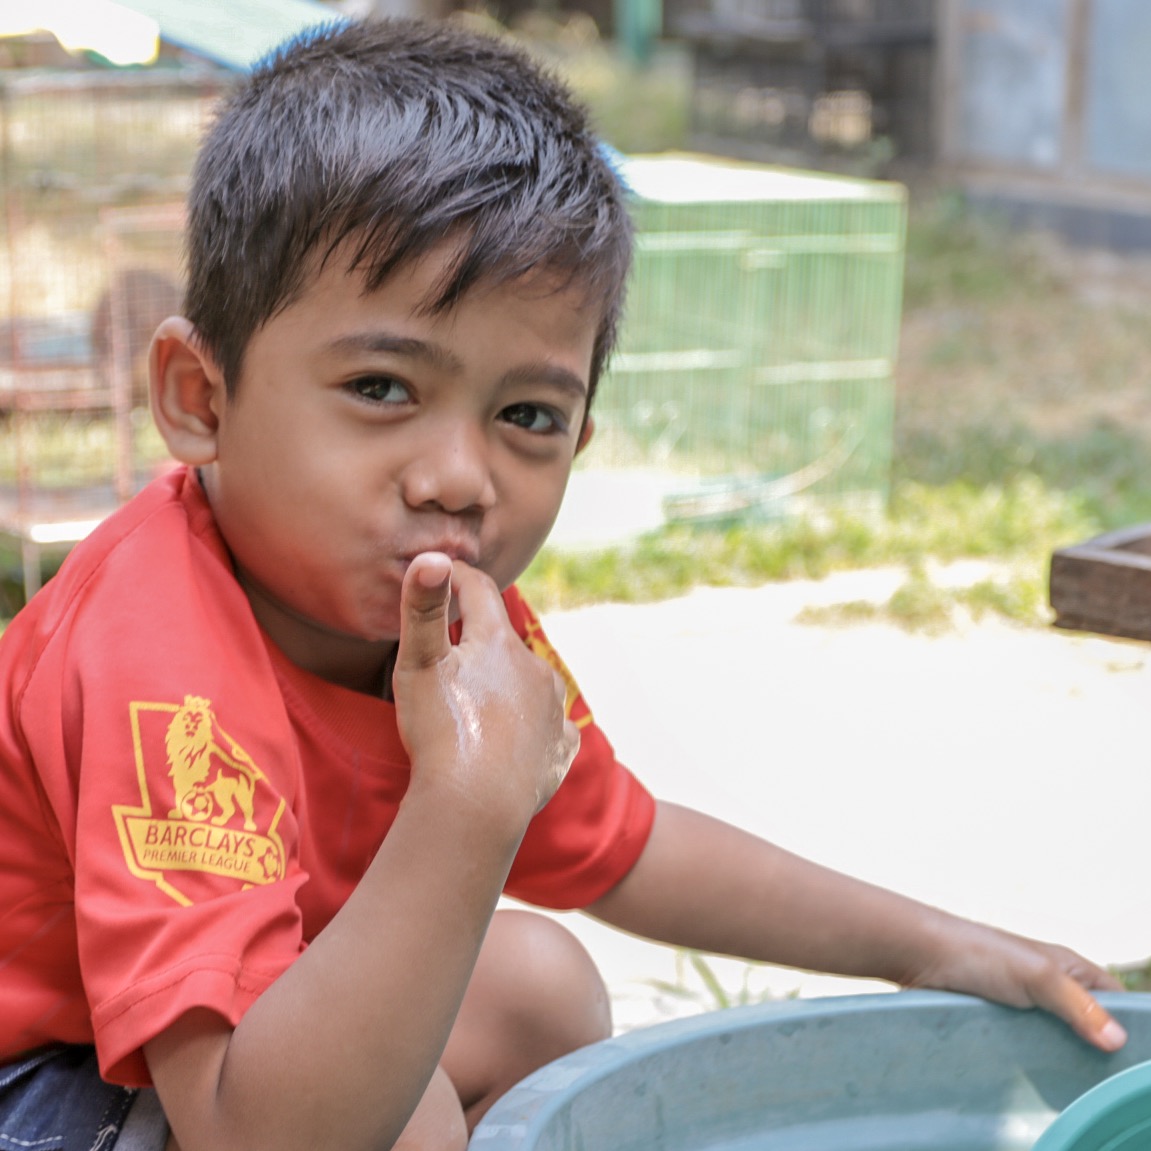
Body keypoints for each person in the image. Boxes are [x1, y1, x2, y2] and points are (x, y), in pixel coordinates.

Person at [0, 16, 1127, 1151]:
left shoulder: (431, 604)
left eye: (524, 416)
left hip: (205, 1059)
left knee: (538, 980)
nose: (457, 476)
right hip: (37, 1080)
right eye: (382, 387)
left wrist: (934, 945)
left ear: (580, 434)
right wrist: (468, 803)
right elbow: (260, 1130)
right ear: (201, 398)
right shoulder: (160, 663)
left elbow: (628, 845)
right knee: (400, 1117)